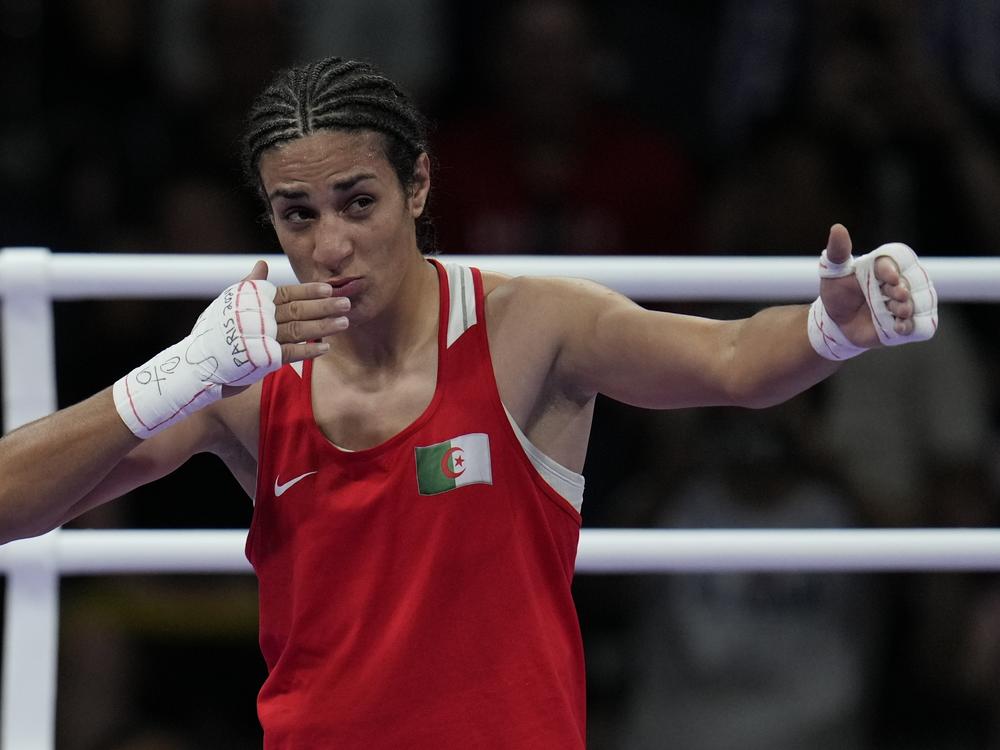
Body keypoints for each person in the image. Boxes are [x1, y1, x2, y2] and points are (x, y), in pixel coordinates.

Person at [0, 57, 937, 748]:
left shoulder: (532, 330)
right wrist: (174, 377)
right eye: (297, 215)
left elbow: (731, 360)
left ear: (417, 186)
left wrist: (836, 326)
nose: (329, 245)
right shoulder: (244, 381)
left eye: (356, 202)